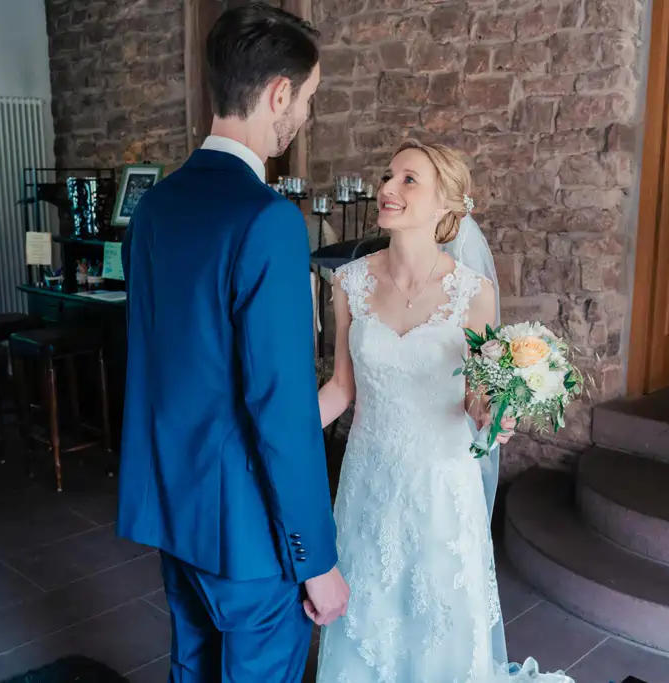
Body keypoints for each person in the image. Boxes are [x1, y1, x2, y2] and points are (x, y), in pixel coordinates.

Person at [116, 4, 348, 681]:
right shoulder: (268, 220)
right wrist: (318, 561)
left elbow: (165, 364)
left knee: (191, 670)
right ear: (279, 92)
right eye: (306, 99)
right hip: (249, 539)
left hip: (174, 514)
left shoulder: (154, 208)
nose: (301, 115)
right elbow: (280, 410)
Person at [314, 140, 572, 683]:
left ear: (447, 206)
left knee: (438, 626)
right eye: (389, 176)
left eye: (409, 180)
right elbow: (341, 388)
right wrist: (275, 439)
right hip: (369, 484)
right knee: (371, 619)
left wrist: (497, 416)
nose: (388, 189)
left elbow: (478, 395)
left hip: (442, 489)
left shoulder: (472, 293)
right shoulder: (350, 284)